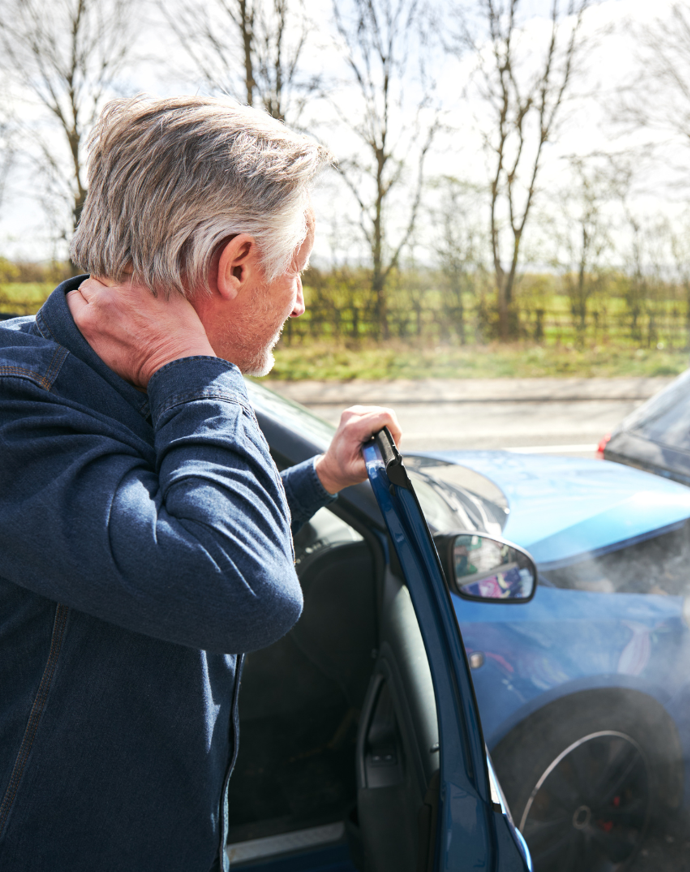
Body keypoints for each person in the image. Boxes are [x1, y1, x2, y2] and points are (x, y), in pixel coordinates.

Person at [0, 95, 401, 872]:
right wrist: (195, 371)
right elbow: (241, 589)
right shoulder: (20, 407)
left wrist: (317, 478)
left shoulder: (123, 383)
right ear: (237, 263)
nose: (300, 298)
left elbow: (160, 543)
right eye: (297, 271)